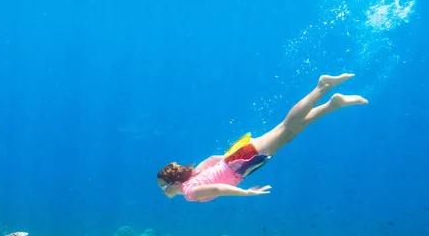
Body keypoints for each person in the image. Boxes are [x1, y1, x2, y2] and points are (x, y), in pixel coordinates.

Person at [156, 73, 368, 202]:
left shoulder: (190, 192)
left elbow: (217, 189)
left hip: (240, 162)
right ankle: (333, 104)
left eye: (164, 188)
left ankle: (322, 86)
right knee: (288, 135)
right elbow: (212, 158)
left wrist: (247, 194)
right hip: (238, 159)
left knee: (285, 128)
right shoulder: (193, 174)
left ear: (173, 184)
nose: (164, 193)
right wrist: (231, 160)